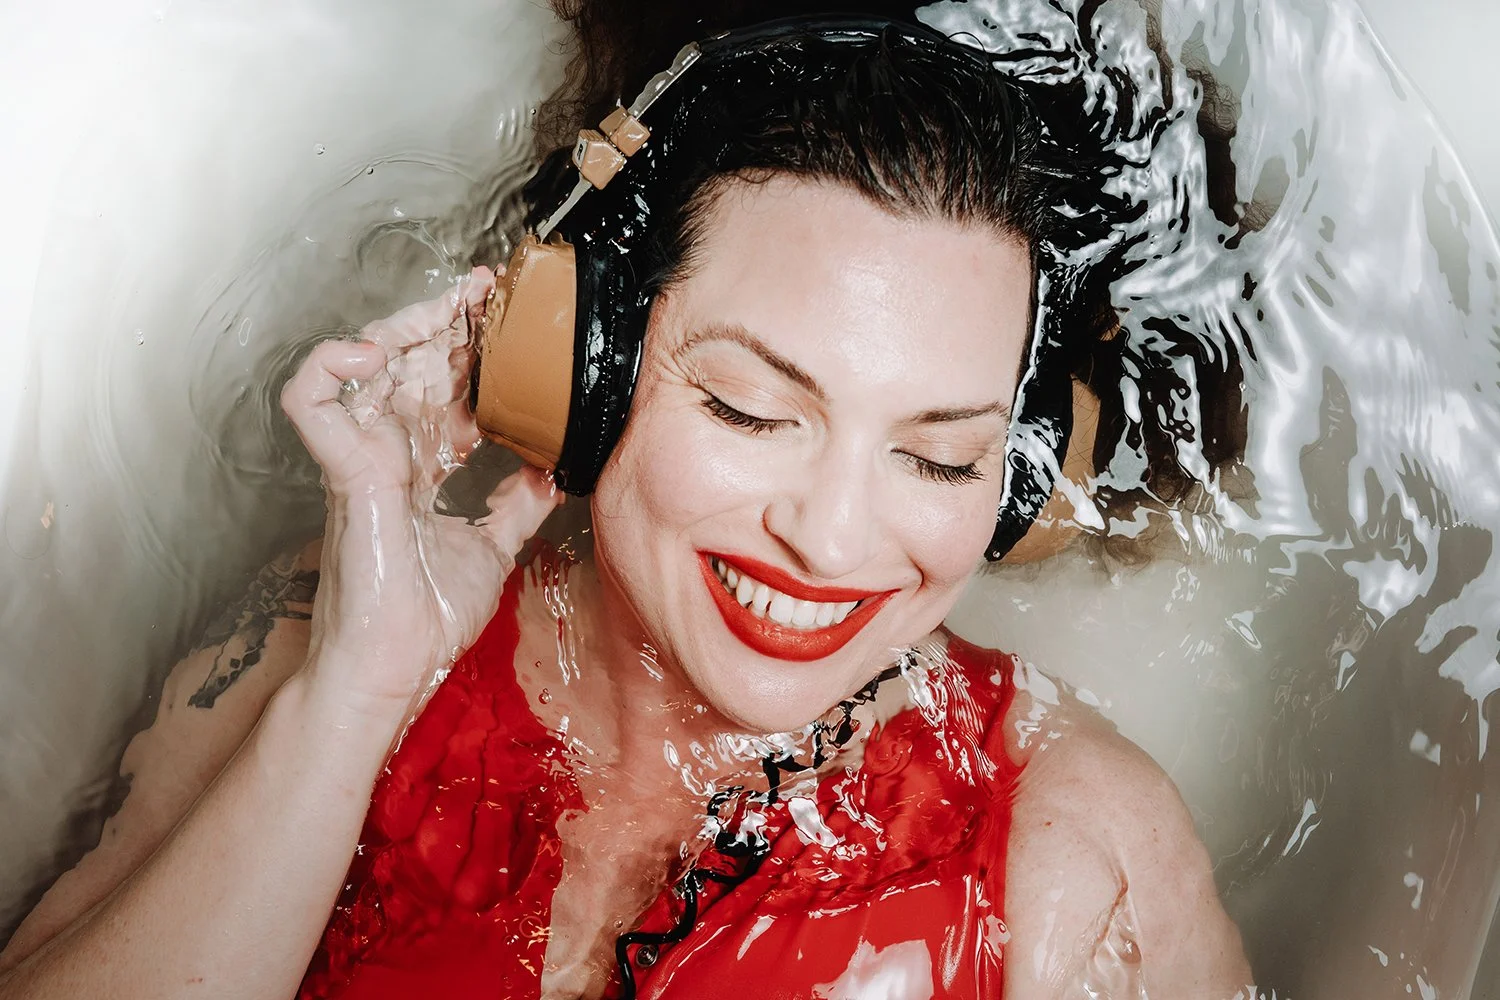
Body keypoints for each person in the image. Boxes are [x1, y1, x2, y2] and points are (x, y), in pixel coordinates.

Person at [0, 12, 1251, 999]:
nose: (831, 539)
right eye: (752, 412)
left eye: (938, 460)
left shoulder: (1072, 849)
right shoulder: (326, 632)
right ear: (584, 371)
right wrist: (354, 697)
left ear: (1022, 482)